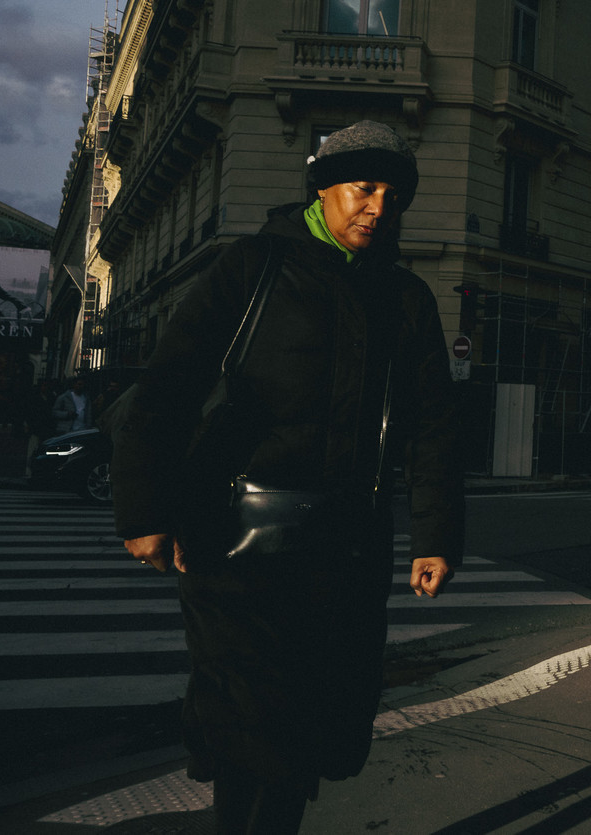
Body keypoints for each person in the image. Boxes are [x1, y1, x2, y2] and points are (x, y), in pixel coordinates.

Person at [112, 120, 464, 833]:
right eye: (363, 188)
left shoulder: (406, 299)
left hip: (348, 548)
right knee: (254, 725)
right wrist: (144, 509)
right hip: (239, 541)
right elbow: (170, 385)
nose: (377, 207)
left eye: (393, 196)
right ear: (324, 188)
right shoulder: (255, 267)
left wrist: (436, 533)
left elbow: (433, 426)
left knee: (317, 727)